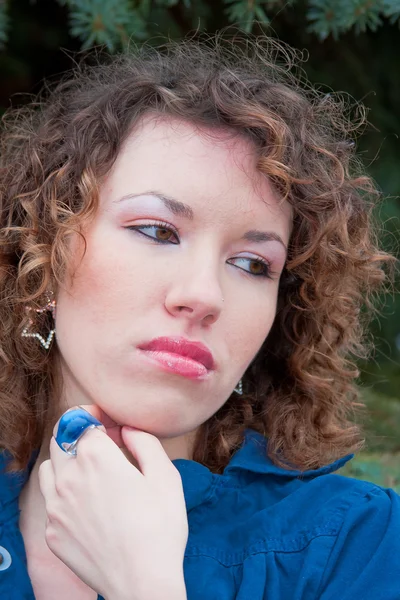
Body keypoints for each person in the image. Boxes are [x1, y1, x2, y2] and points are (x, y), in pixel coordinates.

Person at [0, 33, 399, 600]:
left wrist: (143, 584)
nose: (205, 294)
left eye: (252, 264)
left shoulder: (354, 546)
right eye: (158, 231)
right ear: (42, 253)